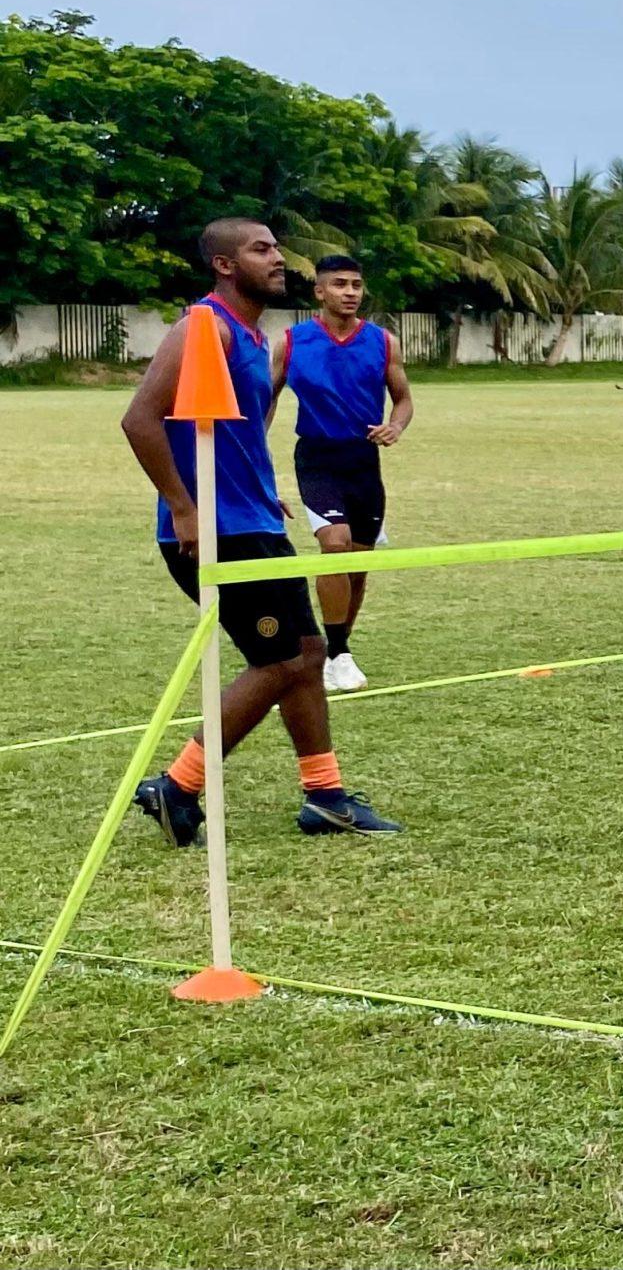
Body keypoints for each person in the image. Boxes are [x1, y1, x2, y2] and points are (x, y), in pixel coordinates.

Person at [123, 218, 401, 842]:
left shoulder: (249, 333)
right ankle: (177, 786)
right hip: (215, 534)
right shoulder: (205, 325)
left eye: (276, 247)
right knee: (281, 660)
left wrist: (260, 489)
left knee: (305, 656)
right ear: (225, 264)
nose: (279, 259)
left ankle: (325, 796)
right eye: (262, 249)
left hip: (251, 520)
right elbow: (140, 420)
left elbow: (230, 431)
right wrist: (186, 508)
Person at [270, 254, 413, 692]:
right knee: (334, 544)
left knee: (357, 563)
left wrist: (395, 425)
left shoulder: (383, 341)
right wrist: (253, 458)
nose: (349, 292)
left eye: (355, 285)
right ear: (319, 291)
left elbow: (404, 399)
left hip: (363, 461)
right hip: (317, 457)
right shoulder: (293, 342)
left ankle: (338, 649)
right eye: (339, 284)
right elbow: (265, 399)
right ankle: (335, 652)